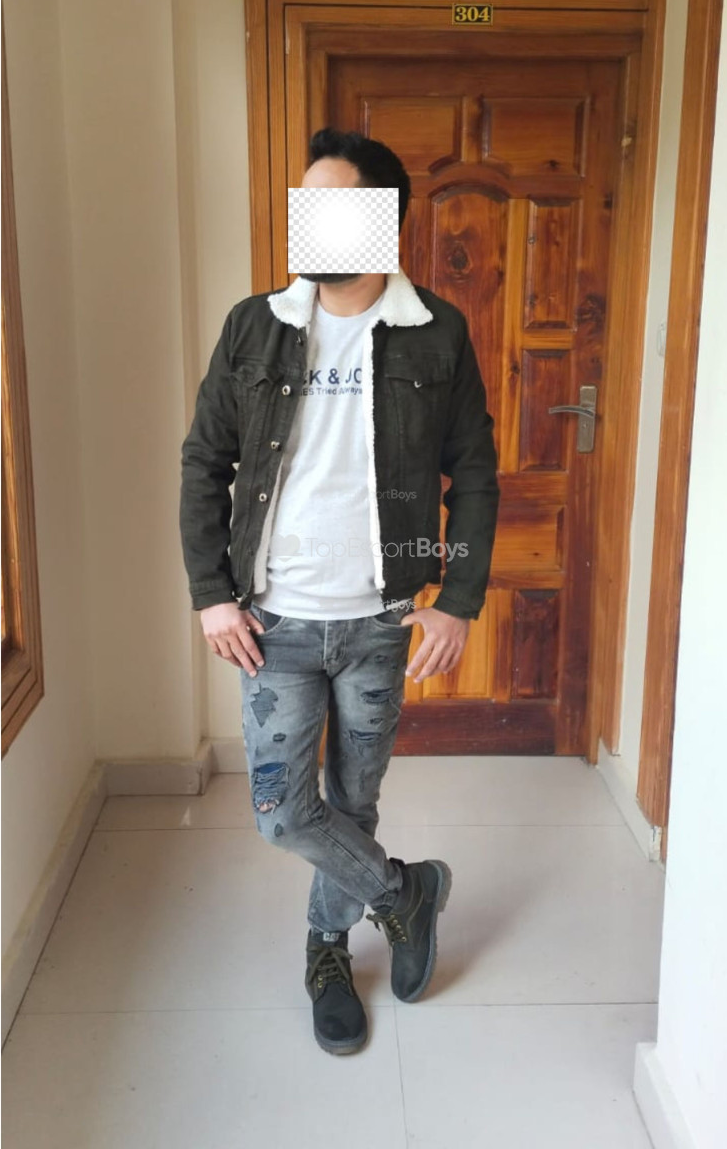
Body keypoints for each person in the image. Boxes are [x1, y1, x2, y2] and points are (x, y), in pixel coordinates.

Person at [179, 127, 499, 1055]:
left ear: (380, 220)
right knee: (284, 814)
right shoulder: (256, 324)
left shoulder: (436, 330)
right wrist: (210, 592)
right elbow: (205, 461)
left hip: (379, 621)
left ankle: (326, 951)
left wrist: (458, 598)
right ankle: (405, 892)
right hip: (272, 619)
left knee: (352, 801)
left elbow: (474, 474)